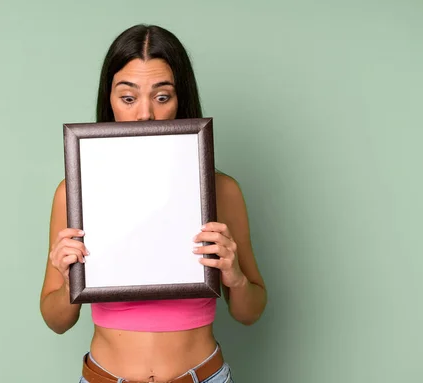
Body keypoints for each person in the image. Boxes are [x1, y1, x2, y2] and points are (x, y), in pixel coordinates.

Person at [40, 24, 267, 383]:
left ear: (181, 101)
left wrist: (235, 277)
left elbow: (251, 311)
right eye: (128, 98)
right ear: (109, 99)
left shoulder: (221, 191)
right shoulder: (74, 194)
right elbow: (55, 321)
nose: (144, 113)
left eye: (162, 97)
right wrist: (69, 279)